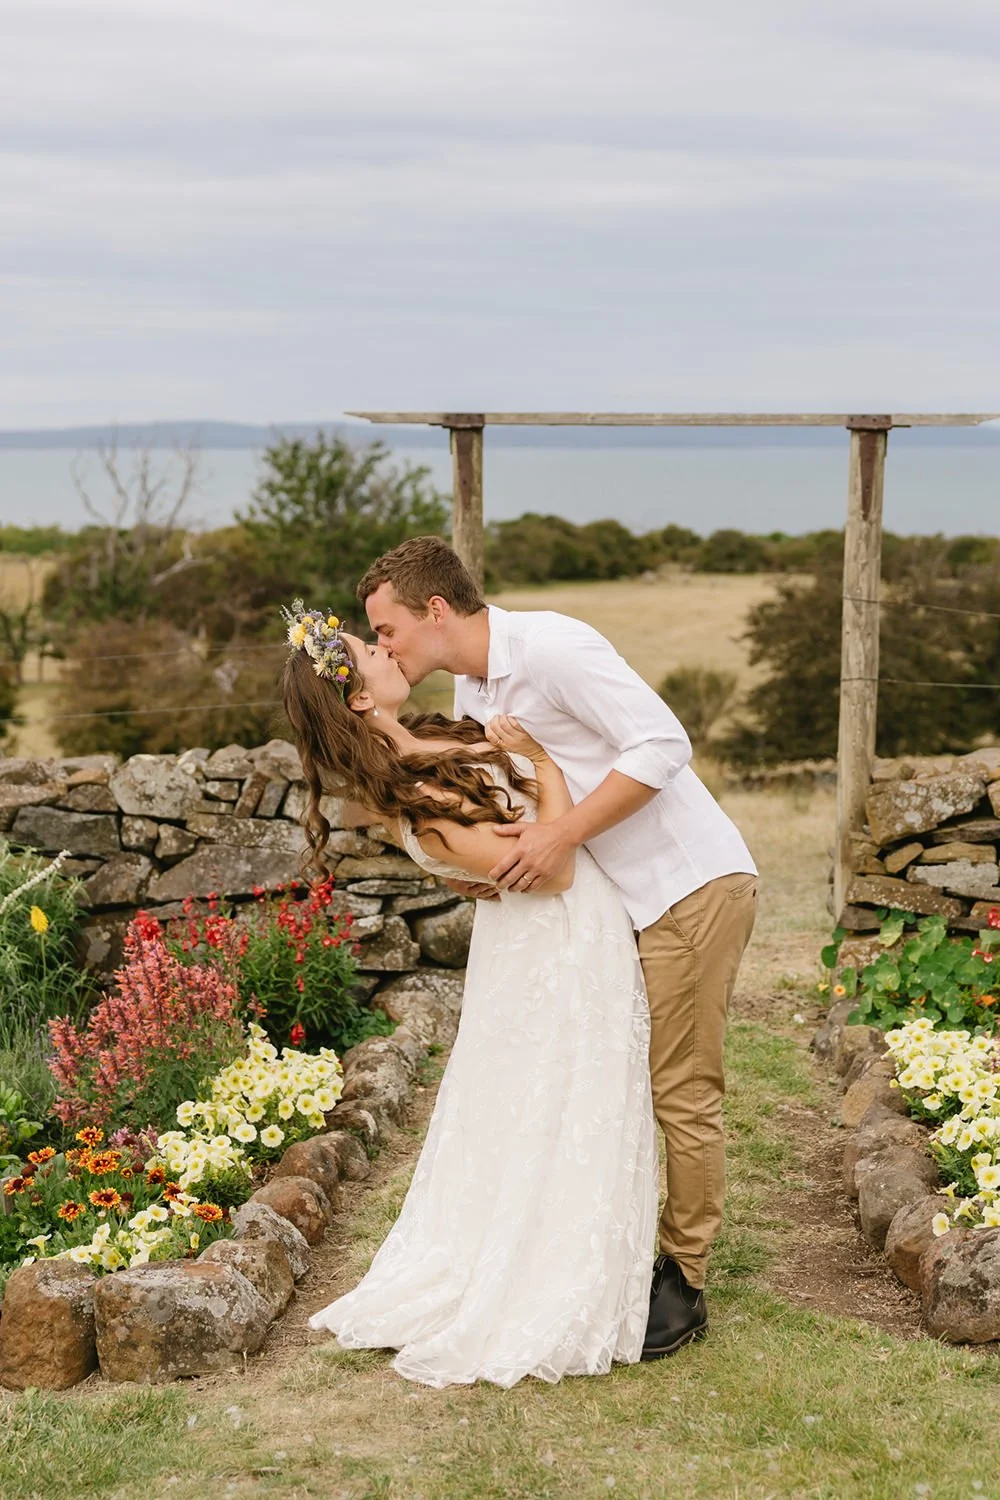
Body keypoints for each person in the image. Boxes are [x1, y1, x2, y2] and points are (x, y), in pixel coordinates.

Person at [357, 537, 758, 1359]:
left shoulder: (553, 648)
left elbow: (663, 745)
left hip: (685, 885)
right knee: (622, 1080)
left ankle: (682, 1282)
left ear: (436, 611)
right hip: (612, 908)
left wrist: (561, 834)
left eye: (385, 629)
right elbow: (496, 788)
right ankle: (605, 1251)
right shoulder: (473, 685)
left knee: (679, 1088)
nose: (384, 647)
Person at [281, 601, 657, 1389]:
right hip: (556, 943)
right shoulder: (414, 788)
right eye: (369, 646)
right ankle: (541, 1274)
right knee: (557, 1103)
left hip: (557, 939)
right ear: (357, 697)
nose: (386, 648)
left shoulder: (428, 742)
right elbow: (549, 869)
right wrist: (549, 773)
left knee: (559, 1102)